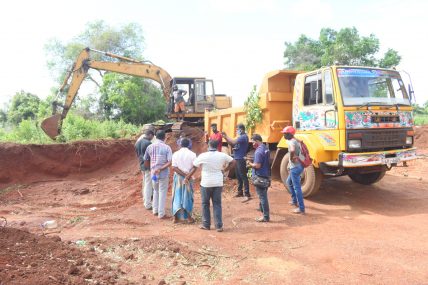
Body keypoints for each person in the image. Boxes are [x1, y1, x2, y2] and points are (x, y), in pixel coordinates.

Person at [185, 140, 235, 232]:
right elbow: (233, 162)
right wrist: (225, 170)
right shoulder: (222, 155)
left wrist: (187, 177)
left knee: (205, 204)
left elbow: (195, 166)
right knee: (217, 204)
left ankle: (206, 224)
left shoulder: (203, 156)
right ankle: (219, 226)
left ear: (208, 145)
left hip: (206, 183)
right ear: (217, 146)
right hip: (218, 182)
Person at [144, 130, 173, 219]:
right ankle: (161, 213)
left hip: (153, 173)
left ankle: (155, 210)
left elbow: (146, 160)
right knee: (162, 192)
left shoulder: (150, 147)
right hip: (163, 173)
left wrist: (151, 169)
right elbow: (170, 162)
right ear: (164, 137)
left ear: (155, 136)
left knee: (155, 191)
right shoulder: (167, 147)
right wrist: (160, 168)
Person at [222, 123, 250, 202]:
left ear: (241, 129)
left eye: (237, 129)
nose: (236, 131)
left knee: (243, 176)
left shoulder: (243, 137)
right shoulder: (240, 137)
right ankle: (240, 192)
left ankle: (247, 194)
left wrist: (226, 136)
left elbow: (233, 142)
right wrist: (225, 138)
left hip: (241, 159)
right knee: (238, 176)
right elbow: (231, 144)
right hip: (237, 158)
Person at [171, 138, 197, 224]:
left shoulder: (175, 154)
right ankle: (189, 218)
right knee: (188, 196)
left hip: (178, 177)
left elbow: (174, 167)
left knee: (177, 196)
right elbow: (195, 167)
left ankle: (175, 218)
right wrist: (187, 176)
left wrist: (184, 175)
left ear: (180, 144)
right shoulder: (193, 154)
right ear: (188, 145)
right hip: (188, 178)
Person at [281, 126, 305, 214]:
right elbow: (296, 140)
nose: (284, 134)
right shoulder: (295, 140)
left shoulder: (292, 142)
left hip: (295, 168)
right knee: (289, 182)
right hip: (298, 166)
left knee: (297, 188)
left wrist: (291, 158)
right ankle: (294, 200)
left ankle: (301, 208)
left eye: (285, 133)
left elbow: (292, 150)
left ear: (289, 134)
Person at [247, 134, 270, 222]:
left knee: (262, 197)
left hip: (260, 177)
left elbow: (257, 165)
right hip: (266, 175)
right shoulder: (265, 148)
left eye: (252, 142)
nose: (252, 144)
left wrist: (250, 163)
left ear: (256, 141)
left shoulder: (258, 152)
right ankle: (262, 209)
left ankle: (265, 216)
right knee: (263, 196)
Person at [134, 129, 155, 210]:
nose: (152, 138)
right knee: (148, 185)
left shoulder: (137, 143)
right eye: (152, 137)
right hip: (148, 166)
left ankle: (145, 199)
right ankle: (148, 204)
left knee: (145, 183)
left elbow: (138, 155)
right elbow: (150, 157)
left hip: (142, 165)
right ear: (150, 135)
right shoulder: (148, 143)